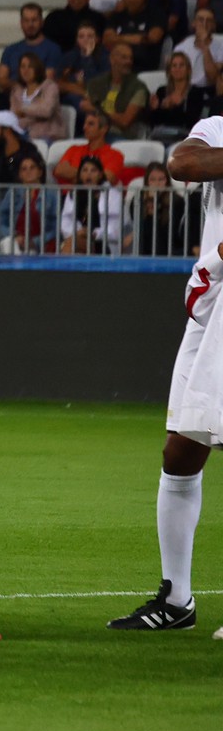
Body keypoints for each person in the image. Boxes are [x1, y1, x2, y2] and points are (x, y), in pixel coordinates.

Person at [107, 117, 223, 629]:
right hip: (211, 306)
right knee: (181, 448)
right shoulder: (217, 127)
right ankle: (177, 601)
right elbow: (183, 162)